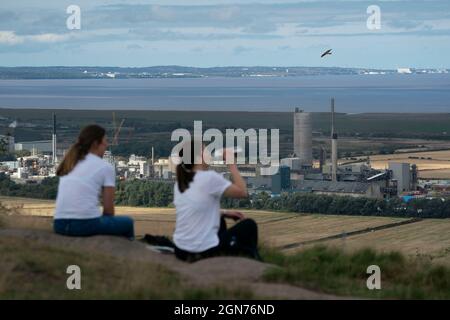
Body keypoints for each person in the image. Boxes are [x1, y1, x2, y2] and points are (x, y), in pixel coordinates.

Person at [173, 140, 260, 262]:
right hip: (203, 252)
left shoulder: (180, 182)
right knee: (249, 225)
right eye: (205, 150)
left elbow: (196, 208)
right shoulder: (209, 178)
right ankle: (252, 261)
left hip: (181, 250)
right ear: (198, 158)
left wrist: (224, 212)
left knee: (220, 221)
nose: (209, 153)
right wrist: (232, 164)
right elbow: (242, 192)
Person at [53, 124, 134, 239]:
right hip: (85, 224)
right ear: (96, 143)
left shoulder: (70, 163)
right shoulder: (105, 167)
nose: (107, 144)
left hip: (59, 224)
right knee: (128, 222)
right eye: (105, 141)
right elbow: (108, 210)